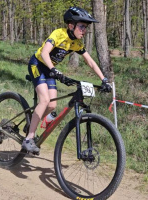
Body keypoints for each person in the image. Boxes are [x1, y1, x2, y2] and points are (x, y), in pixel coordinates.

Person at [22, 6, 112, 153]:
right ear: (71, 25)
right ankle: (29, 138)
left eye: (86, 28)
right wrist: (54, 70)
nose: (84, 30)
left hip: (50, 69)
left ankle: (32, 121)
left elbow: (90, 61)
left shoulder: (76, 43)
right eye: (82, 27)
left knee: (52, 106)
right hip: (37, 64)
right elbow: (45, 53)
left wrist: (104, 79)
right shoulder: (58, 34)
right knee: (44, 100)